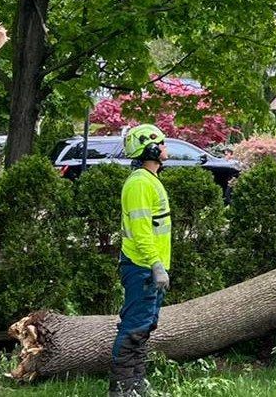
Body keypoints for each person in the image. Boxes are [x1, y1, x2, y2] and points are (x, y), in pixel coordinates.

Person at [111, 124, 172, 396]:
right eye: (162, 143)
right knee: (135, 326)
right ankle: (122, 387)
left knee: (145, 326)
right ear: (151, 148)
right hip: (142, 267)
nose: (166, 148)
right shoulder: (139, 183)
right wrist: (155, 265)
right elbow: (141, 230)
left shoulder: (149, 180)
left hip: (150, 267)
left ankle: (135, 382)